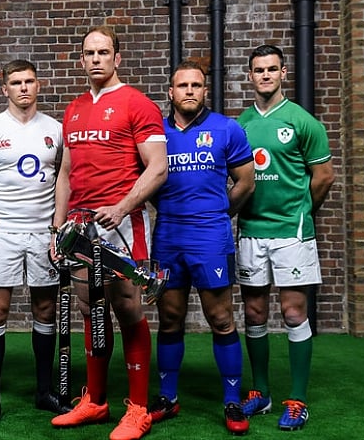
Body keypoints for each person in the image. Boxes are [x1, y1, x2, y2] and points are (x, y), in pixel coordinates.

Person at [49, 26, 168, 440]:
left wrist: (122, 207)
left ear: (117, 58)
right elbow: (65, 173)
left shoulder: (137, 103)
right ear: (81, 60)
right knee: (87, 307)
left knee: (127, 308)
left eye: (104, 52)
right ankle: (95, 401)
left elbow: (158, 167)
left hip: (121, 222)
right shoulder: (75, 108)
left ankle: (138, 410)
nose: (96, 59)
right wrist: (58, 226)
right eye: (89, 53)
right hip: (79, 226)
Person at [147, 60, 255, 435]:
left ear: (205, 90)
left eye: (197, 85)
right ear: (171, 92)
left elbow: (245, 181)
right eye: (183, 85)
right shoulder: (155, 132)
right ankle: (168, 396)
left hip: (211, 238)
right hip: (168, 237)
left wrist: (218, 213)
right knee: (171, 317)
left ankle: (231, 400)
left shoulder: (227, 128)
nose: (190, 90)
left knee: (221, 319)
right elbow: (148, 183)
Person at [236, 44, 335, 431]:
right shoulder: (240, 124)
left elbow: (324, 176)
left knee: (294, 313)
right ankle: (260, 393)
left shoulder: (302, 121)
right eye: (258, 70)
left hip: (292, 233)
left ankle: (297, 400)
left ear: (283, 73)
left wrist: (301, 212)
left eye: (271, 69)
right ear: (251, 75)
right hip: (251, 230)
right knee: (255, 312)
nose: (265, 75)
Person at [0, 59, 70, 427]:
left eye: (29, 81)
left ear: (38, 85)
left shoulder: (56, 131)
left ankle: (44, 391)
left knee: (45, 311)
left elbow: (64, 179)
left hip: (44, 233)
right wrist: (6, 211)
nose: (23, 88)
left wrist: (55, 226)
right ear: (4, 88)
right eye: (15, 82)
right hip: (3, 233)